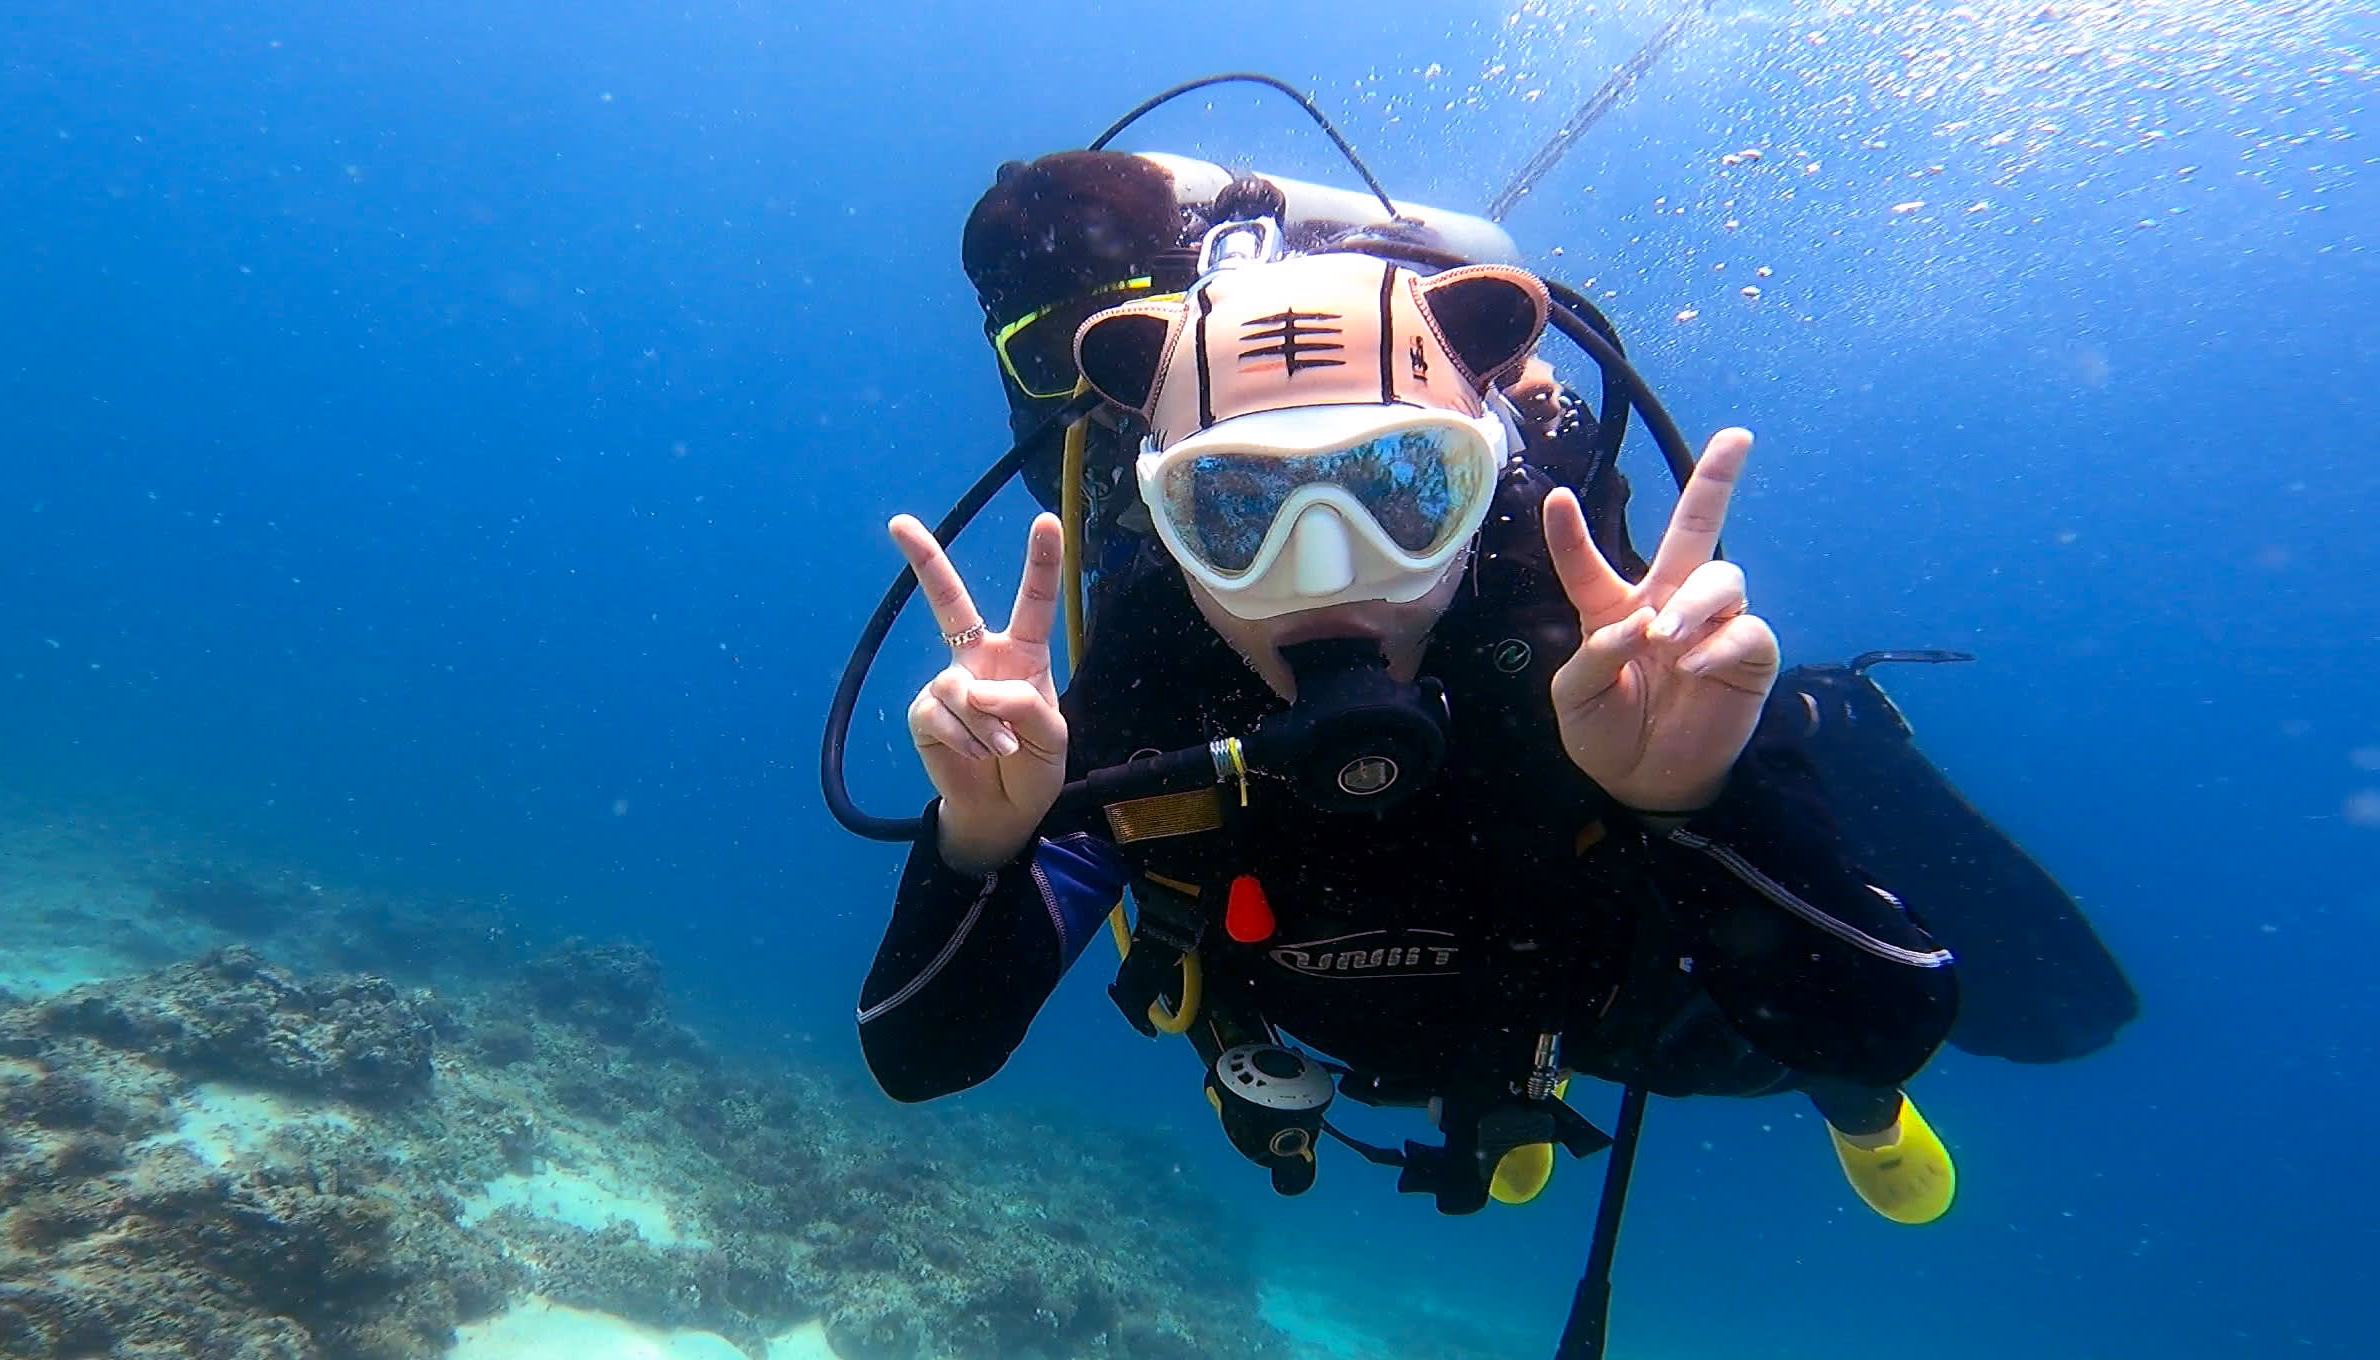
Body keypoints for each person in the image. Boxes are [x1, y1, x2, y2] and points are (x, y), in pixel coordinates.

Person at [850, 151, 2031, 1230]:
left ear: (1485, 479)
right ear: (1167, 522)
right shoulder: (1153, 664)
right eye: (1235, 508)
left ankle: (1853, 1105)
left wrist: (1699, 798)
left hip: (1603, 996)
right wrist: (978, 842)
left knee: (1810, 1046)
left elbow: (1886, 1022)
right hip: (1355, 1026)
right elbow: (920, 1052)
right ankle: (1497, 1107)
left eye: (1407, 487)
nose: (1324, 572)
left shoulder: (1580, 632)